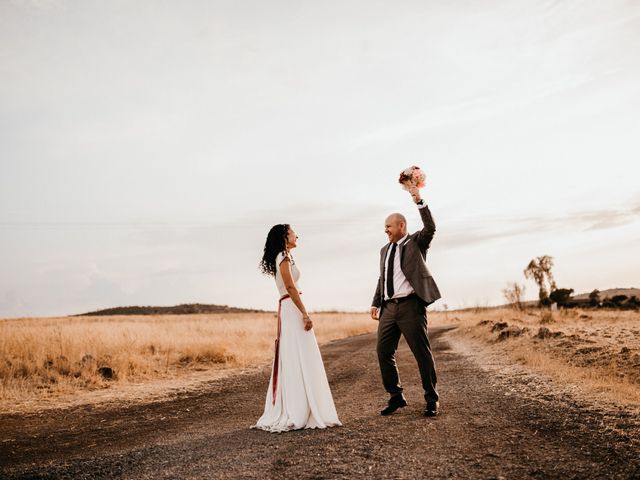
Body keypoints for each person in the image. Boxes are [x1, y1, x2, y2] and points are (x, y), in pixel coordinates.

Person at [252, 224, 341, 432]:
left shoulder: (286, 256)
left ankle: (303, 405)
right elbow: (290, 287)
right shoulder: (283, 255)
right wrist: (305, 313)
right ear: (285, 236)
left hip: (290, 306)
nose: (297, 235)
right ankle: (298, 408)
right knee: (297, 354)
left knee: (298, 354)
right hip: (291, 308)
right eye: (293, 233)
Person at [371, 185, 442, 417]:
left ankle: (431, 400)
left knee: (421, 353)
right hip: (389, 308)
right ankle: (396, 396)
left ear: (401, 226)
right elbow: (384, 277)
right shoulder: (384, 250)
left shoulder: (416, 243)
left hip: (411, 306)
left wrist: (418, 199)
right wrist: (376, 302)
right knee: (383, 352)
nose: (386, 231)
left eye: (388, 227)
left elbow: (431, 228)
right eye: (385, 227)